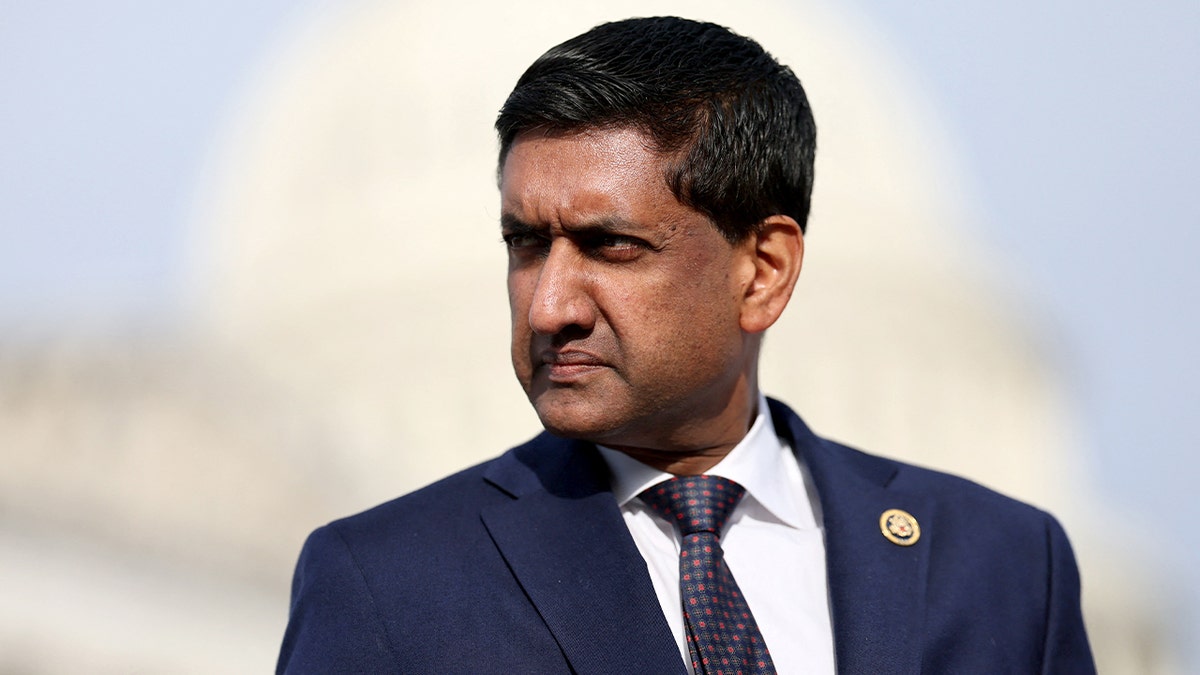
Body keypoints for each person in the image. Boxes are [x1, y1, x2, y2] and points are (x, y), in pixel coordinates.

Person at [277, 16, 1095, 674]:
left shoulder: (1004, 570)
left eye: (612, 245)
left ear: (763, 271)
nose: (550, 305)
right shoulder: (388, 586)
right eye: (525, 243)